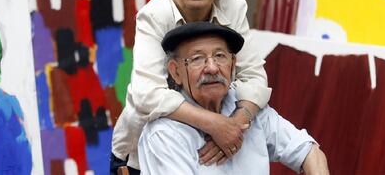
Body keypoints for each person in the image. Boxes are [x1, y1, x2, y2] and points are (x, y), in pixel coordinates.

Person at [111, 0, 272, 174]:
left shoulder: (233, 6)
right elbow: (147, 95)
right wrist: (215, 124)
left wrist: (234, 125)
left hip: (207, 146)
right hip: (146, 150)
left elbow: (254, 76)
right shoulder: (154, 14)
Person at [138, 22, 329, 175]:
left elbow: (310, 152)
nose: (212, 68)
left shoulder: (249, 109)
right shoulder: (164, 134)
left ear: (233, 65)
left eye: (220, 56)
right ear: (176, 72)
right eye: (197, 59)